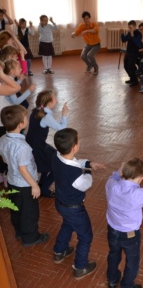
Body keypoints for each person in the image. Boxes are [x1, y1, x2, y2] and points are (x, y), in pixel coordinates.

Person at [52, 128, 105, 279]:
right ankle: (80, 267)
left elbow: (74, 162)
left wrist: (89, 163)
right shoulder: (75, 174)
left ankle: (59, 251)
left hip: (61, 203)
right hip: (74, 209)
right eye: (78, 140)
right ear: (75, 147)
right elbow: (85, 184)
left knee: (67, 225)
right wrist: (88, 171)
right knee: (86, 236)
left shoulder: (56, 156)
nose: (79, 142)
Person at [0, 105, 49, 246]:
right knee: (29, 212)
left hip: (11, 181)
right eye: (25, 116)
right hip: (25, 185)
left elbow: (4, 158)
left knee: (16, 208)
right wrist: (34, 185)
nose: (27, 118)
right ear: (21, 124)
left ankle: (19, 231)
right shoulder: (23, 147)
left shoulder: (3, 138)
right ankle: (31, 238)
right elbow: (23, 169)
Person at [106, 158, 143, 288]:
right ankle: (127, 285)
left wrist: (121, 169)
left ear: (123, 172)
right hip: (130, 235)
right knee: (132, 262)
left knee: (113, 255)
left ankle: (112, 280)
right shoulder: (139, 194)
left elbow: (114, 176)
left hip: (112, 229)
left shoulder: (111, 185)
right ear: (141, 178)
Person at [26, 90, 69, 197]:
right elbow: (62, 129)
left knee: (51, 160)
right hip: (37, 147)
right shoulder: (46, 116)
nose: (57, 101)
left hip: (34, 144)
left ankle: (42, 185)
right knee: (58, 163)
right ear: (49, 103)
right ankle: (44, 188)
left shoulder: (37, 110)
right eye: (55, 99)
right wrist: (64, 115)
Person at [120, 20, 142, 86]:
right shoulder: (129, 33)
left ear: (135, 26)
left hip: (134, 53)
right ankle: (132, 78)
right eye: (129, 27)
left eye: (131, 27)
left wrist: (132, 35)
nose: (129, 29)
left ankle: (135, 81)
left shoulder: (138, 33)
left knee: (131, 66)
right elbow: (124, 40)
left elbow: (138, 44)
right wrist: (121, 34)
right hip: (128, 52)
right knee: (126, 66)